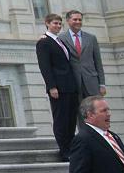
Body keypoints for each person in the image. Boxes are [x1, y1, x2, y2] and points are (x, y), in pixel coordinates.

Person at [37, 12, 79, 160]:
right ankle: (64, 150)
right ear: (47, 23)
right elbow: (45, 66)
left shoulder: (60, 41)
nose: (58, 26)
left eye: (60, 24)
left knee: (71, 119)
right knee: (61, 118)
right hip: (58, 87)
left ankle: (71, 147)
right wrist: (51, 86)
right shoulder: (44, 42)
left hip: (70, 85)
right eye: (55, 23)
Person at [68, 97, 124, 173]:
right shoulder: (83, 139)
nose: (109, 114)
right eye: (104, 111)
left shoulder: (114, 136)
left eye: (108, 110)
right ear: (90, 115)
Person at [65, 10, 106, 99]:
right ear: (68, 21)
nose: (78, 22)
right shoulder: (61, 38)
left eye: (80, 20)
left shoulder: (91, 38)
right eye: (75, 19)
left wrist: (102, 84)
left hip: (92, 82)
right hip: (73, 82)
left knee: (95, 109)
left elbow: (98, 62)